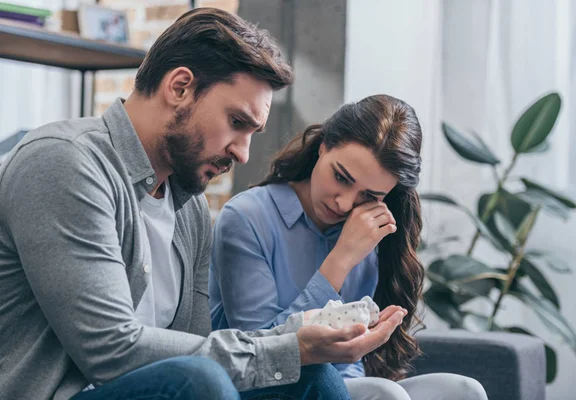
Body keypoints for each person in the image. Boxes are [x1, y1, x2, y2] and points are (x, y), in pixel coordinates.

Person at [0, 9, 408, 400]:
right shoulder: (65, 161)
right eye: (237, 123)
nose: (242, 153)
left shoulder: (189, 209)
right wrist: (290, 347)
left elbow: (196, 345)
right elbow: (110, 351)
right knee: (201, 383)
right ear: (180, 86)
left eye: (253, 133)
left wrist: (306, 342)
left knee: (313, 378)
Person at [209, 94, 489, 400]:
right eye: (341, 177)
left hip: (347, 385)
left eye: (369, 196)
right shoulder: (247, 218)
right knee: (385, 394)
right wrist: (341, 259)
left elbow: (355, 367)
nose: (344, 203)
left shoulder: (374, 229)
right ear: (323, 146)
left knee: (464, 391)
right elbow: (257, 350)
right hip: (269, 386)